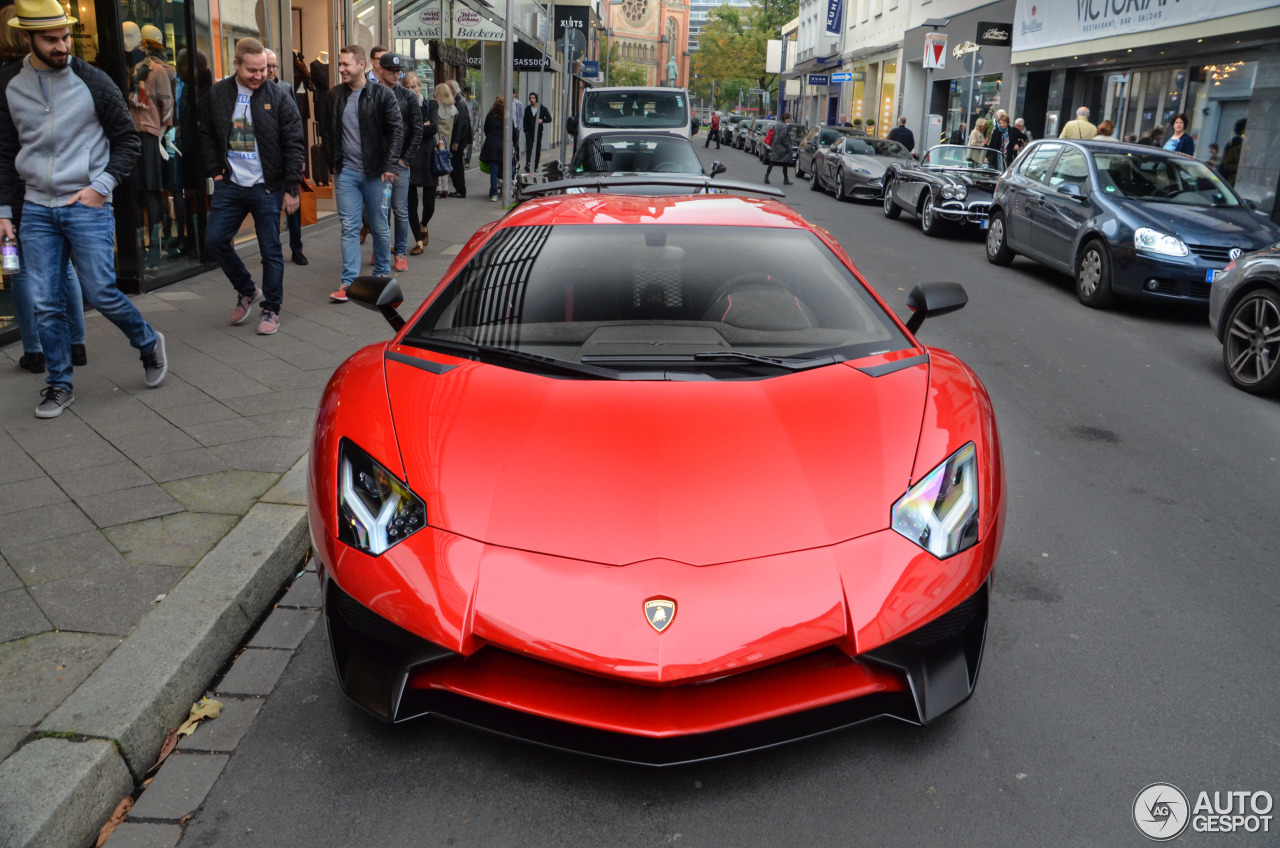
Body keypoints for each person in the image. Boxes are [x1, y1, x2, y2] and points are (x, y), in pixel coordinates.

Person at [0, 0, 167, 417]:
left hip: (86, 201)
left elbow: (127, 140)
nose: (62, 46)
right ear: (26, 38)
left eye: (65, 37)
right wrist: (5, 211)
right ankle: (59, 383)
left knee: (101, 292)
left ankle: (147, 342)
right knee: (44, 301)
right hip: (37, 206)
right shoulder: (7, 84)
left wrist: (100, 187)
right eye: (51, 40)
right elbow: (5, 152)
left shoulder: (92, 79)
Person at [200, 38, 304, 335]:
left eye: (264, 69)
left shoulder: (279, 96)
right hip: (230, 183)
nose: (260, 75)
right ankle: (246, 289)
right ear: (236, 65)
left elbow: (294, 142)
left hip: (267, 186)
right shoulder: (218, 94)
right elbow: (205, 134)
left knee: (270, 250)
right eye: (252, 70)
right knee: (215, 240)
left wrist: (292, 188)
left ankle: (271, 308)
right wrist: (215, 174)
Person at [321, 44, 402, 303]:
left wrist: (390, 165)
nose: (341, 69)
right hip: (346, 173)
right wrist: (332, 162)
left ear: (361, 65)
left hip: (377, 173)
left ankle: (380, 275)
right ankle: (349, 282)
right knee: (349, 226)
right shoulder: (334, 95)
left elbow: (396, 131)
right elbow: (326, 130)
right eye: (340, 64)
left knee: (379, 225)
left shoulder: (382, 95)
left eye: (345, 64)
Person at [373, 53, 421, 273]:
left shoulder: (408, 97)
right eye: (391, 70)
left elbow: (417, 130)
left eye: (398, 71)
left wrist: (405, 159)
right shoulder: (371, 94)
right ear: (379, 69)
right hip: (378, 164)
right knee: (380, 211)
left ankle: (400, 252)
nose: (395, 74)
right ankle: (382, 249)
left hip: (400, 164)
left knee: (400, 210)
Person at [264, 48, 307, 266]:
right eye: (267, 66)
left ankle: (296, 248)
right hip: (266, 162)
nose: (271, 70)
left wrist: (299, 158)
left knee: (293, 206)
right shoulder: (256, 90)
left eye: (274, 66)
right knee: (268, 210)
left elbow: (295, 124)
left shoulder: (285, 88)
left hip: (286, 158)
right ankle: (270, 251)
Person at [403, 72, 436, 252]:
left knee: (430, 205)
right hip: (409, 158)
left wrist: (414, 129)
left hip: (428, 159)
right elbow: (401, 130)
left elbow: (434, 127)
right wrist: (422, 126)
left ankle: (424, 224)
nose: (410, 90)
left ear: (419, 87)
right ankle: (418, 241)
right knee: (411, 205)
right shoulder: (401, 106)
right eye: (407, 87)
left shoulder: (431, 105)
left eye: (413, 87)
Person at [447, 79, 471, 197]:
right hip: (458, 139)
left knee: (456, 164)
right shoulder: (459, 101)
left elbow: (461, 123)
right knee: (456, 164)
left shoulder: (459, 102)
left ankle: (460, 189)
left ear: (452, 89)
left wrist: (456, 141)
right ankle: (460, 189)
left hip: (458, 140)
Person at [433, 82, 456, 200]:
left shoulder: (436, 106)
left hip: (437, 138)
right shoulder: (453, 108)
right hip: (448, 138)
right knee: (446, 162)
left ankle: (438, 188)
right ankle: (445, 188)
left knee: (437, 161)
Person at [481, 96, 505, 201]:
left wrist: (491, 137)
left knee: (494, 171)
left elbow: (485, 128)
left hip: (492, 145)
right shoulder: (507, 116)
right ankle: (505, 190)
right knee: (506, 168)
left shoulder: (490, 115)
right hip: (504, 145)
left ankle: (494, 194)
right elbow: (513, 131)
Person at [763, 112, 795, 186]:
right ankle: (785, 179)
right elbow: (783, 137)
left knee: (772, 162)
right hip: (782, 148)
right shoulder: (784, 126)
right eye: (789, 118)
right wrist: (788, 146)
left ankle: (766, 177)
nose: (790, 120)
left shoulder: (776, 124)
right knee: (785, 163)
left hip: (775, 146)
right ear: (786, 119)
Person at [522, 92, 550, 171]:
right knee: (529, 147)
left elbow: (549, 118)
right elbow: (525, 120)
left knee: (537, 148)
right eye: (530, 98)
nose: (531, 99)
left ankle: (536, 165)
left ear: (536, 99)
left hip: (538, 132)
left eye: (533, 98)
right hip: (529, 132)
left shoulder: (542, 108)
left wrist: (542, 120)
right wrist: (526, 130)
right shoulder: (527, 109)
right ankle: (528, 163)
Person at [1220, 118, 1245, 184]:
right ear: (1243, 130)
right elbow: (1227, 165)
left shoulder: (1234, 142)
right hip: (1231, 181)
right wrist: (1242, 169)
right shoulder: (1236, 144)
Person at [509, 91, 524, 171]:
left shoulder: (518, 103)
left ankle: (517, 158)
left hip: (515, 127)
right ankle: (510, 159)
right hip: (508, 127)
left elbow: (521, 115)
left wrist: (519, 126)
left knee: (516, 144)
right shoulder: (504, 103)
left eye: (512, 93)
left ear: (514, 94)